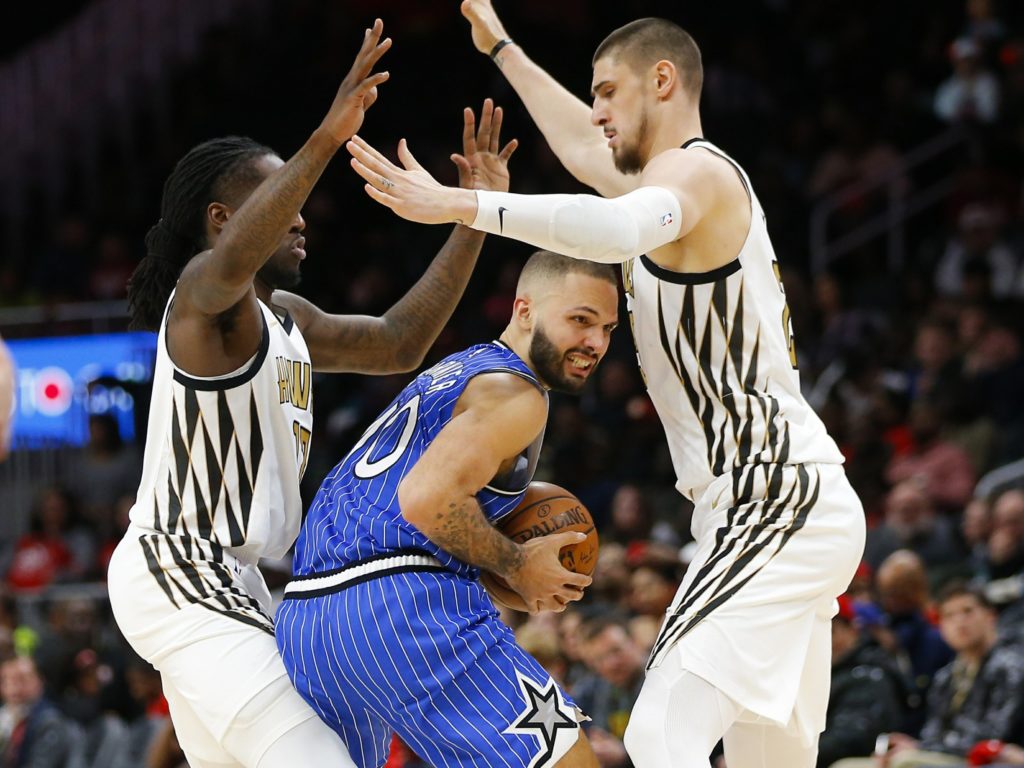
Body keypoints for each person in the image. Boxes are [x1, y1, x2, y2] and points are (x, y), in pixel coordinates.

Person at [342, 4, 868, 765]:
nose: (596, 111)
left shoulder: (696, 171)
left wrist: (462, 205)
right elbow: (588, 148)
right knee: (769, 757)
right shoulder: (670, 184)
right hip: (769, 505)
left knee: (659, 734)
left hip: (774, 497)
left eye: (607, 91)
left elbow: (616, 229)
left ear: (662, 80)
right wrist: (502, 47)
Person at [107, 19, 516, 768]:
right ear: (224, 221)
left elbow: (400, 340)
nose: (301, 216)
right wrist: (326, 138)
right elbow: (227, 268)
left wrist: (473, 215)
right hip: (182, 571)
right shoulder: (201, 303)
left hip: (242, 583)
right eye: (276, 198)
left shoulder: (286, 318)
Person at [276, 250, 619, 768]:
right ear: (523, 311)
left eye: (608, 329)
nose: (596, 343)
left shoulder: (463, 367)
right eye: (580, 320)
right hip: (398, 607)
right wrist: (518, 565)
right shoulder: (518, 394)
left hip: (309, 621)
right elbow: (426, 500)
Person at [831, 583, 1024, 768]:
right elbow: (933, 731)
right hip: (948, 754)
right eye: (949, 615)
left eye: (968, 611)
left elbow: (992, 737)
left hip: (995, 759)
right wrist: (910, 745)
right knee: (844, 766)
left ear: (991, 616)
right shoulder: (946, 676)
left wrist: (920, 748)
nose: (960, 621)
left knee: (907, 763)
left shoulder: (1010, 665)